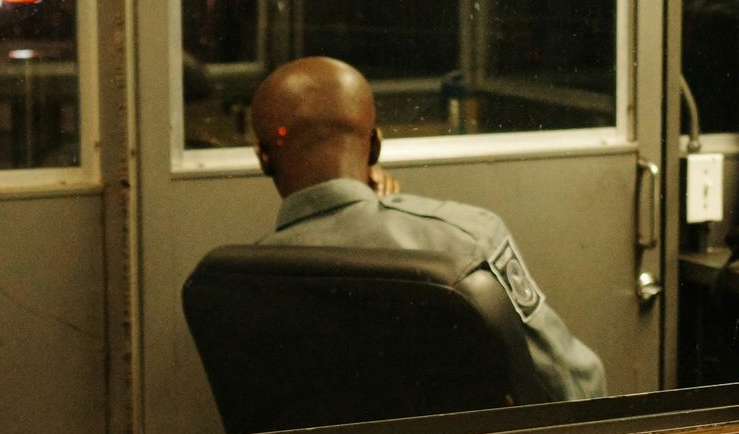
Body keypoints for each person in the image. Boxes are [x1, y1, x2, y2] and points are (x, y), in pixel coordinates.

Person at [250, 56, 607, 401]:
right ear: (374, 146)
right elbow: (571, 384)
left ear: (264, 158)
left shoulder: (242, 279)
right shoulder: (468, 240)